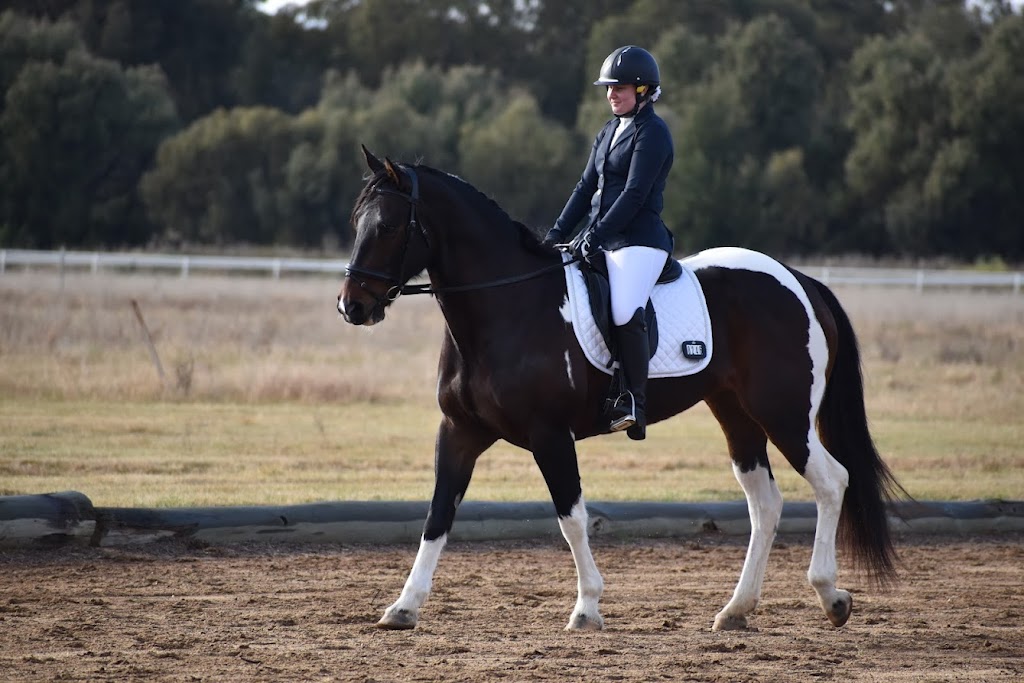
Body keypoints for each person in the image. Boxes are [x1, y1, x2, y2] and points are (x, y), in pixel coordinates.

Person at [543, 45, 674, 441]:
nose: (611, 94)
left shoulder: (653, 132)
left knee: (622, 310)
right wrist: (556, 235)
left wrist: (594, 236)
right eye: (608, 87)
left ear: (643, 89)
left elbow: (634, 195)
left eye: (619, 87)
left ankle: (634, 400)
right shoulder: (607, 131)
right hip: (603, 240)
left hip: (639, 241)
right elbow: (585, 189)